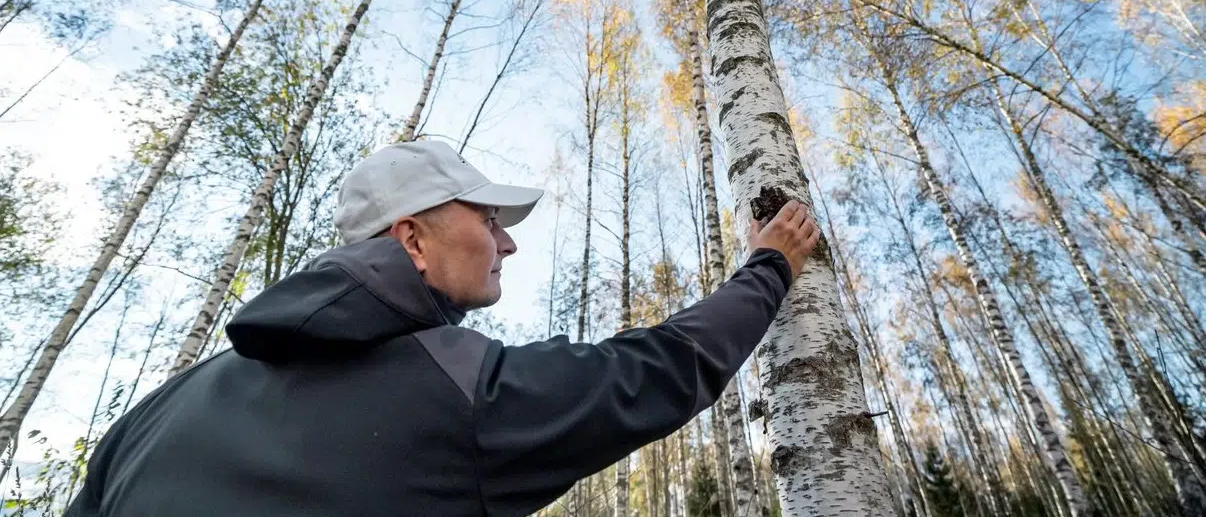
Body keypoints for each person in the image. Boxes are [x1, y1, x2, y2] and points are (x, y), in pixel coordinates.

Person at [65, 140, 820, 517]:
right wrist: (769, 267)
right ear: (412, 239)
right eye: (489, 219)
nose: (509, 243)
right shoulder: (451, 389)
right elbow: (655, 369)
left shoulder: (159, 409)